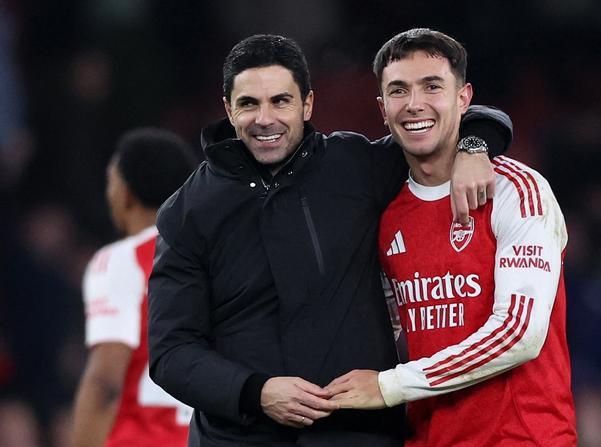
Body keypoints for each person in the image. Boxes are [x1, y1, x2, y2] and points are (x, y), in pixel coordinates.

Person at [148, 34, 513, 447]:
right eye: (249, 104)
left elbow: (438, 124)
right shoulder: (187, 212)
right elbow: (171, 353)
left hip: (357, 435)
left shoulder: (354, 166)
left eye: (281, 101)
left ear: (307, 104)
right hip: (238, 439)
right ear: (229, 109)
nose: (265, 119)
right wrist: (256, 392)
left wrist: (473, 148)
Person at [325, 28, 577, 446]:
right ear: (382, 109)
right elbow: (385, 327)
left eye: (432, 86)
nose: (414, 104)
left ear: (464, 98)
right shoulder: (386, 213)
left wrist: (389, 386)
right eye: (399, 90)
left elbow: (519, 334)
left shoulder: (517, 190)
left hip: (520, 438)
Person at [71, 128, 198, 447]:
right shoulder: (218, 261)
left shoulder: (122, 260)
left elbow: (105, 383)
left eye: (111, 181)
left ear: (126, 192)